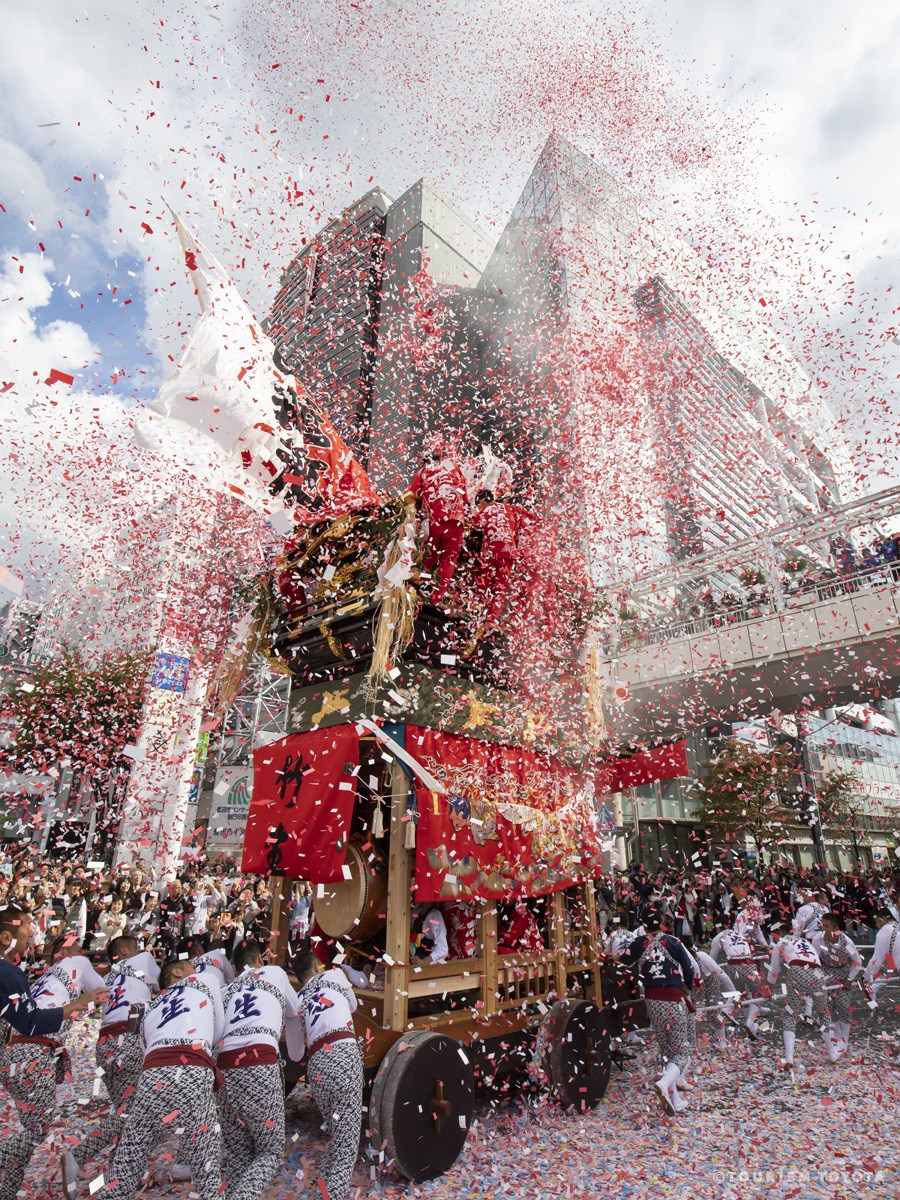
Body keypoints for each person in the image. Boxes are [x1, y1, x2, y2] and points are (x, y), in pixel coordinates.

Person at [94, 958, 225, 1200]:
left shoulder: (150, 1005)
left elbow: (145, 1047)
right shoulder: (205, 979)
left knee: (129, 1158)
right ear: (177, 972)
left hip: (152, 1075)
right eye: (191, 967)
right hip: (192, 1070)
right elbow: (219, 1030)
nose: (196, 970)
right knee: (206, 1168)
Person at [0, 916, 106, 1200]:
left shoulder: (41, 979)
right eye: (24, 936)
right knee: (37, 1130)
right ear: (69, 952)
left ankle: (7, 1191)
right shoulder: (78, 963)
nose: (27, 942)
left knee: (29, 1130)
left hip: (12, 1056)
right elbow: (106, 991)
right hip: (37, 1050)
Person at [61, 935, 161, 1192]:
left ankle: (113, 1182)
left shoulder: (108, 978)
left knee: (127, 1116)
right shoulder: (144, 959)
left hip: (104, 1043)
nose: (141, 950)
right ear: (126, 950)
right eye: (136, 946)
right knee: (135, 1112)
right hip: (128, 1038)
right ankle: (79, 1155)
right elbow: (168, 984)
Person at [217, 940, 302, 1200]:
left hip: (223, 1068)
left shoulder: (225, 990)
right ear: (260, 960)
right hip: (259, 1062)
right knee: (270, 1149)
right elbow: (295, 1009)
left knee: (237, 1150)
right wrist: (297, 1054)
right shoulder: (275, 973)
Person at [294, 950, 364, 1200]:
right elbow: (354, 1005)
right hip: (344, 1054)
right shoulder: (334, 975)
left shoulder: (298, 999)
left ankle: (322, 1188)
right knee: (347, 1143)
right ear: (316, 967)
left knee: (338, 1132)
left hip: (317, 1066)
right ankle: (331, 1195)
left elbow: (294, 1053)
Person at [615, 910, 696, 1115]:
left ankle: (675, 1100)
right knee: (682, 1052)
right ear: (661, 923)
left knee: (668, 1050)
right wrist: (689, 988)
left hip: (652, 1002)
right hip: (673, 1000)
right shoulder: (673, 942)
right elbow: (688, 967)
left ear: (643, 924)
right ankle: (663, 1084)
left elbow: (622, 962)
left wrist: (609, 956)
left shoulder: (639, 943)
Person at [409, 439, 468, 603]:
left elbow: (412, 498)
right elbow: (464, 496)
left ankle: (424, 586)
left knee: (428, 558)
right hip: (456, 522)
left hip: (433, 521)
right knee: (449, 558)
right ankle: (438, 597)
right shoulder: (454, 469)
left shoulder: (423, 472)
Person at [767, 928, 835, 1068]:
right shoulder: (803, 940)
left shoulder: (781, 942)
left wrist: (768, 988)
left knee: (791, 1014)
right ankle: (832, 1053)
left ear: (778, 934)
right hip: (817, 972)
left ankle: (789, 1058)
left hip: (797, 970)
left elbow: (774, 969)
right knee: (823, 1012)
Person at [813, 913, 862, 1058]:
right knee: (830, 1008)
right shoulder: (818, 939)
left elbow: (857, 962)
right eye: (822, 924)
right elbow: (814, 961)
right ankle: (836, 1041)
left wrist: (849, 979)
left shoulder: (846, 942)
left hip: (843, 973)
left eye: (826, 926)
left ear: (835, 928)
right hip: (826, 973)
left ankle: (844, 1040)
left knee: (843, 1005)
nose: (823, 927)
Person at [708, 923, 767, 1040]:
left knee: (741, 993)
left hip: (733, 965)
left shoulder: (718, 937)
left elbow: (711, 960)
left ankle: (741, 1019)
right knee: (758, 994)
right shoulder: (738, 934)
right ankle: (749, 1022)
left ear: (718, 927)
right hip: (748, 963)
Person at [863, 906, 899, 997]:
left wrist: (865, 977)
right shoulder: (897, 926)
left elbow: (876, 961)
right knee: (890, 968)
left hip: (894, 957)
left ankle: (872, 988)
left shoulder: (884, 931)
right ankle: (873, 989)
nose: (876, 925)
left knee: (889, 968)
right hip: (892, 956)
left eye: (876, 922)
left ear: (883, 919)